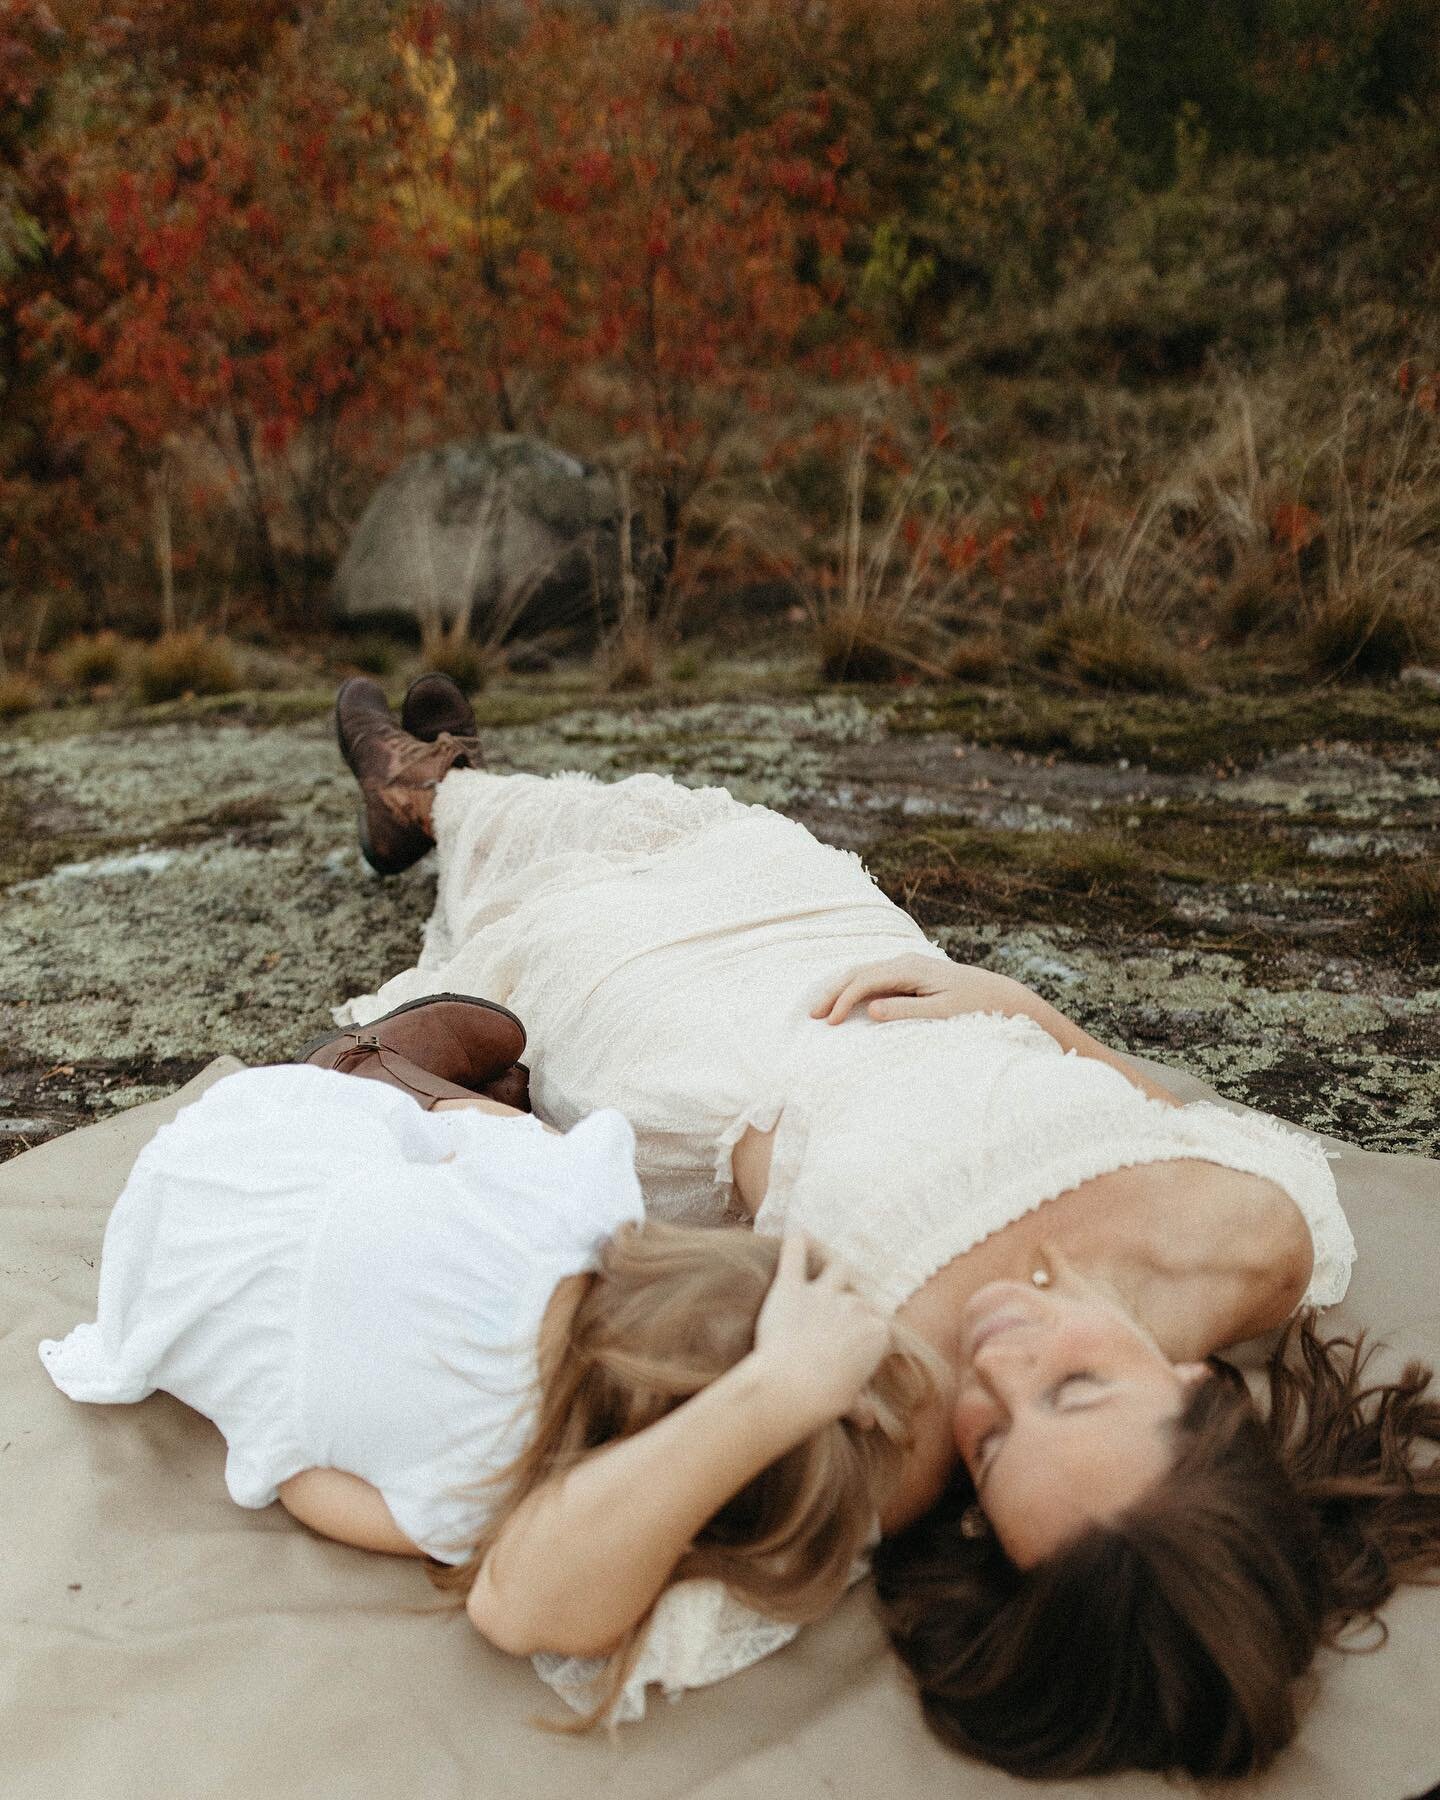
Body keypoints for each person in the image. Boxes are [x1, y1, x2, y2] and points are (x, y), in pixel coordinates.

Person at [324, 671, 1440, 1776]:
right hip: (842, 947)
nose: (1000, 1365)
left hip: (696, 1048)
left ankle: (423, 790)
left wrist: (776, 1393)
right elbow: (1168, 1111)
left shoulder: (884, 1431)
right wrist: (1023, 1009)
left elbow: (526, 1600)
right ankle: (444, 781)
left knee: (559, 904)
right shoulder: (1254, 1239)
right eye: (1075, 1386)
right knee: (664, 826)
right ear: (1201, 1393)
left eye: (993, 1444)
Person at [38, 994, 937, 1728]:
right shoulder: (479, 1491)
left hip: (261, 1131)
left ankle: (384, 1076)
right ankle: (394, 1092)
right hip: (159, 1266)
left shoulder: (575, 1201)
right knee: (444, 1190)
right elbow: (306, 1483)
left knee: (491, 1137)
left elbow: (490, 1149)